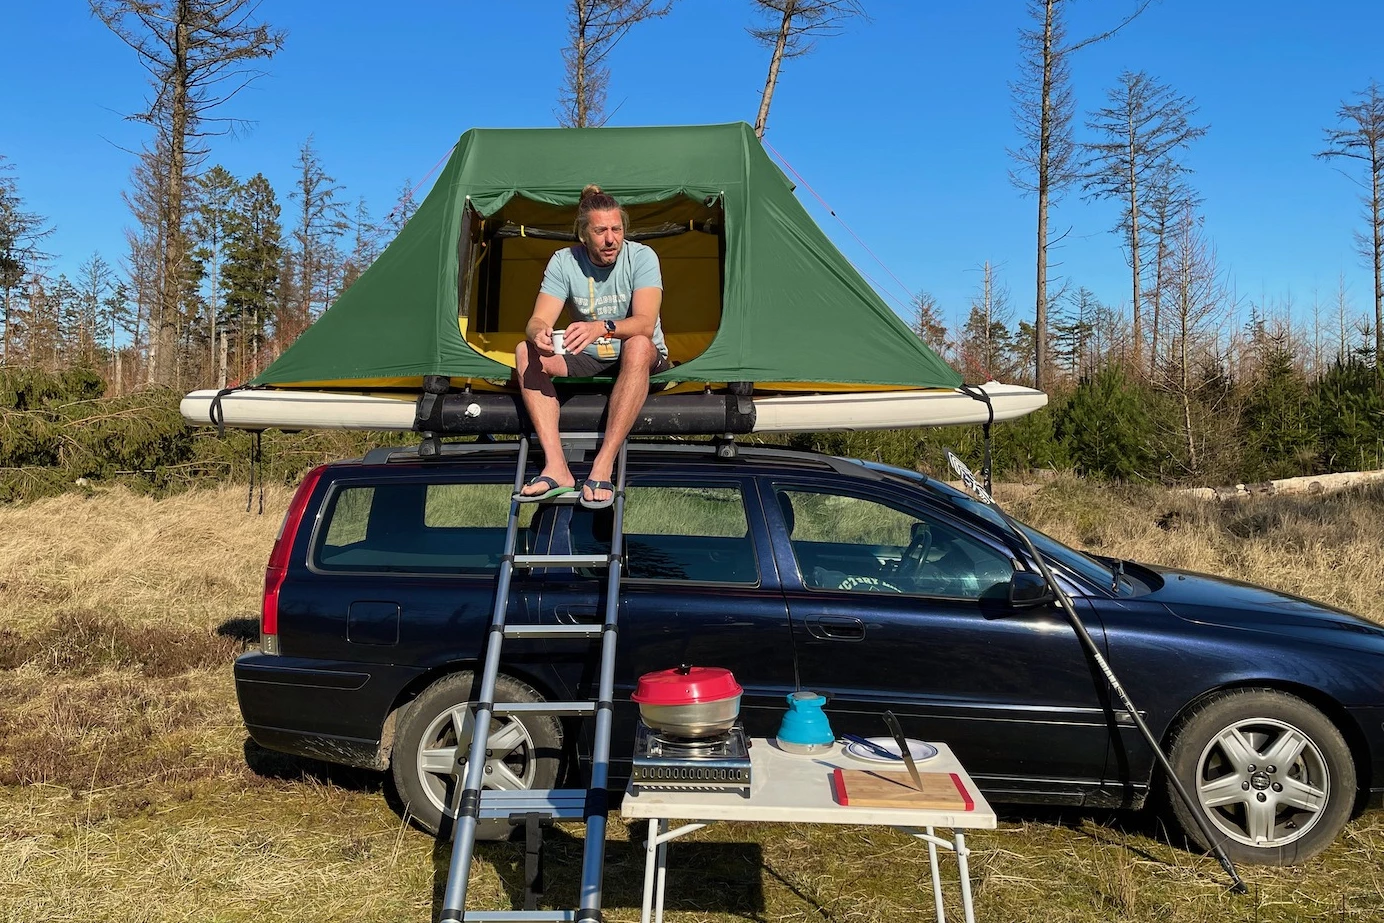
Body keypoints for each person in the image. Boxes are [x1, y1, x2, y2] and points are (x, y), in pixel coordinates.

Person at [514, 184, 672, 508]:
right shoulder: (563, 261)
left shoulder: (642, 257)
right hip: (587, 357)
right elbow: (537, 320)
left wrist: (602, 327)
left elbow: (645, 323)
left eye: (617, 229)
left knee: (638, 344)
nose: (611, 239)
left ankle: (603, 464)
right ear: (583, 235)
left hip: (639, 357)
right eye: (601, 231)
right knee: (524, 350)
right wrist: (540, 334)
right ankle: (556, 467)